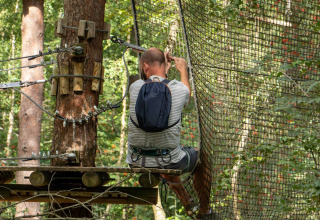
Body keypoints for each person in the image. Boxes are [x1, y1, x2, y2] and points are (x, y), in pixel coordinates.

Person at [126, 48, 212, 218]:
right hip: (169, 161)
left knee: (166, 156)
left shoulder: (135, 87)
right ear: (164, 66)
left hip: (136, 160)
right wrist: (182, 70)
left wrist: (161, 67)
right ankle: (204, 210)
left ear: (145, 67)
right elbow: (186, 92)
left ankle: (187, 201)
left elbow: (150, 84)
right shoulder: (179, 90)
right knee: (200, 157)